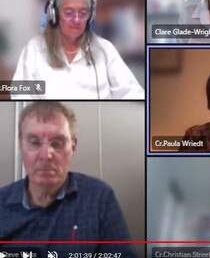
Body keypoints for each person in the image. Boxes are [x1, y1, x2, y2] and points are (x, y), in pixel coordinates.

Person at [0, 102, 136, 256]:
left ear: (73, 147)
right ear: (20, 145)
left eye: (57, 143)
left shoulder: (99, 198)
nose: (45, 155)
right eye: (34, 142)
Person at [12, 0, 144, 100]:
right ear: (55, 15)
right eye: (69, 13)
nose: (76, 20)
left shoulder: (105, 49)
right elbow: (20, 92)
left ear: (90, 16)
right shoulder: (34, 48)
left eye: (83, 13)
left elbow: (132, 91)